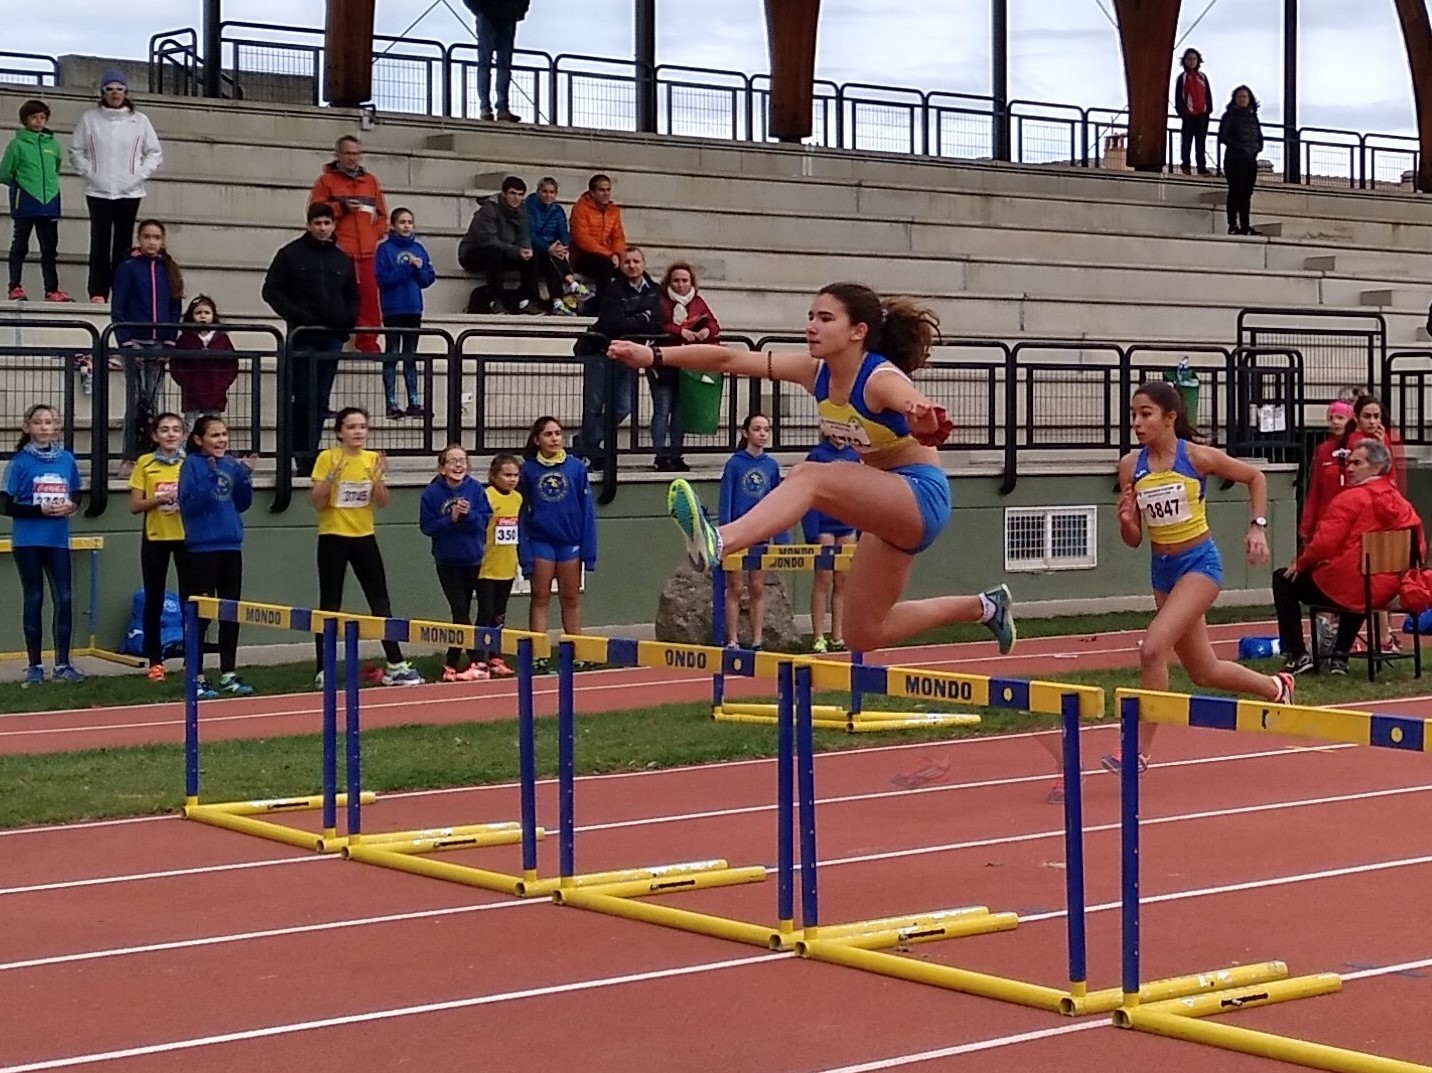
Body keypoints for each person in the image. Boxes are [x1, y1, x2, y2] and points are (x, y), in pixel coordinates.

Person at [606, 281, 1016, 656]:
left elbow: (910, 402)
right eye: (810, 317)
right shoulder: (814, 372)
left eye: (825, 318)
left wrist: (922, 416)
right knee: (863, 634)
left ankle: (720, 541)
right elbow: (729, 358)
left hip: (919, 497)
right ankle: (985, 606)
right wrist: (654, 355)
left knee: (810, 476)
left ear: (857, 332)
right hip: (883, 506)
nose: (811, 327)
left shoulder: (878, 378)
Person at [1110, 380, 1294, 775]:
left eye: (1146, 414)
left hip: (1199, 565)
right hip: (1162, 570)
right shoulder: (1130, 466)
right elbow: (1135, 539)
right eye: (1133, 415)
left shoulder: (1195, 456)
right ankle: (1277, 687)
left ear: (1170, 417)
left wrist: (1257, 526)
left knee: (1152, 648)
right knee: (1204, 671)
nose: (1137, 423)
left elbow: (1255, 477)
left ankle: (1137, 750)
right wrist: (1126, 521)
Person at [1275, 439, 1422, 676]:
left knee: (1284, 580)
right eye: (1349, 462)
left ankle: (1298, 654)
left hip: (1348, 586)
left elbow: (1323, 544)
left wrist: (1301, 564)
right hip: (1386, 589)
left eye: (1357, 463)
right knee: (1363, 583)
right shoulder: (1404, 505)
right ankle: (1339, 656)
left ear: (1376, 467)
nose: (1349, 468)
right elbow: (1418, 549)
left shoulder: (1351, 499)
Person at [309, 408, 423, 687]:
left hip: (364, 537)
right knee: (330, 603)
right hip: (333, 536)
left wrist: (377, 479)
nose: (358, 432)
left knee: (380, 600)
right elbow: (317, 502)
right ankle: (324, 669)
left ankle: (396, 665)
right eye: (351, 427)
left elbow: (381, 502)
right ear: (340, 432)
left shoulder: (372, 459)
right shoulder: (327, 457)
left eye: (362, 427)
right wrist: (332, 478)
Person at [262, 202, 359, 468]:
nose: (323, 228)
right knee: (302, 399)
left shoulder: (342, 259)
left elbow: (353, 295)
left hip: (331, 339)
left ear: (333, 225)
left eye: (327, 223)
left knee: (320, 400)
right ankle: (299, 453)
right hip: (302, 338)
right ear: (308, 225)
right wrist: (298, 316)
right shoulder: (290, 254)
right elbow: (271, 291)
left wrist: (347, 321)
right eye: (317, 223)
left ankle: (309, 457)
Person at [1, 404, 84, 685]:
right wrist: (40, 511)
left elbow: (76, 493)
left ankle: (63, 664)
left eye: (50, 422)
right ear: (27, 428)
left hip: (57, 540)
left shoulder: (66, 460)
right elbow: (6, 504)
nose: (45, 427)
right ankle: (35, 665)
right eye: (38, 422)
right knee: (34, 597)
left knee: (65, 597)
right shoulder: (20, 462)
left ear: (57, 427)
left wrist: (71, 505)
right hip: (28, 541)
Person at [67, 70, 163, 304]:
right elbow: (76, 150)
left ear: (126, 92)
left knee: (123, 244)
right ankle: (97, 292)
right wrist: (90, 173)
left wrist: (138, 175)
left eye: (119, 89)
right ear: (103, 93)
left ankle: (121, 290)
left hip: (130, 191)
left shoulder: (140, 121)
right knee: (99, 241)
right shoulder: (90, 119)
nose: (115, 94)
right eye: (109, 89)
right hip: (97, 191)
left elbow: (154, 152)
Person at [179, 415, 256, 699]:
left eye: (224, 434)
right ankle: (196, 676)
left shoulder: (230, 464)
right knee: (201, 615)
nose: (221, 440)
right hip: (202, 549)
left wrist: (244, 477)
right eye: (214, 435)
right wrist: (210, 479)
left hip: (230, 546)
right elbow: (190, 506)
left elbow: (243, 504)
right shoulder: (192, 465)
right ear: (199, 439)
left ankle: (228, 673)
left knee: (230, 613)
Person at [574, 246, 662, 466]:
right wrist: (643, 318)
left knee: (623, 406)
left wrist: (636, 321)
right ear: (620, 265)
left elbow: (658, 322)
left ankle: (584, 443)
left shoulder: (656, 290)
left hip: (629, 356)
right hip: (600, 352)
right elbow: (614, 324)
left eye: (636, 261)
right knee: (594, 406)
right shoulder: (612, 289)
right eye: (627, 262)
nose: (632, 266)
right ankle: (591, 451)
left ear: (644, 264)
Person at [519, 417, 597, 655]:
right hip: (541, 542)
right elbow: (521, 512)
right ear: (537, 440)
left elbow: (587, 511)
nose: (554, 439)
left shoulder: (576, 468)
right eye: (548, 434)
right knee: (540, 597)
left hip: (570, 543)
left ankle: (577, 651)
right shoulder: (528, 471)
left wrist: (589, 551)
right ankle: (539, 653)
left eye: (557, 433)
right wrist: (525, 554)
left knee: (570, 598)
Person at [419, 444, 493, 682]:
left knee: (475, 612)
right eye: (452, 461)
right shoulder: (431, 494)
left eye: (462, 460)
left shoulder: (476, 489)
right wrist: (450, 519)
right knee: (459, 611)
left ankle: (453, 662)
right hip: (447, 561)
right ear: (442, 468)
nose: (458, 465)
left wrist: (468, 515)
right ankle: (477, 661)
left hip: (474, 559)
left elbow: (484, 521)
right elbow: (427, 527)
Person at [112, 219, 183, 463]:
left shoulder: (169, 269)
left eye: (156, 237)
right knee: (135, 402)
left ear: (162, 241)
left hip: (160, 344)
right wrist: (126, 343)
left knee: (154, 402)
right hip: (135, 343)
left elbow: (175, 308)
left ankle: (154, 456)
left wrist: (170, 342)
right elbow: (118, 308)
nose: (151, 242)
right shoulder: (128, 267)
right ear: (139, 239)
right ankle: (130, 457)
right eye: (146, 237)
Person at [309, 135, 387, 354]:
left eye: (356, 153)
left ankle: (368, 343)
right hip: (339, 250)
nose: (353, 158)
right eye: (348, 153)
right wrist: (341, 208)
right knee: (335, 297)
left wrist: (374, 234)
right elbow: (316, 212)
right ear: (338, 155)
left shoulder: (370, 181)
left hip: (366, 251)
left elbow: (382, 215)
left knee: (370, 299)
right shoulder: (326, 181)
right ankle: (333, 339)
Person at [129, 412, 188, 682]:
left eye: (176, 429)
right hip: (155, 537)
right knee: (154, 599)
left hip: (187, 537)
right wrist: (160, 499)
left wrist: (184, 499)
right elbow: (135, 505)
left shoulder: (190, 463)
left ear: (183, 435)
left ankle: (193, 657)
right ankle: (155, 661)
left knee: (192, 599)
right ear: (155, 436)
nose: (170, 434)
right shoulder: (145, 463)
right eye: (164, 430)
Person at [719, 414, 785, 648]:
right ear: (746, 433)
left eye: (766, 429)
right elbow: (726, 500)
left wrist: (781, 536)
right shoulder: (734, 464)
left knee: (757, 587)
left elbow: (779, 502)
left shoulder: (771, 466)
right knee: (735, 587)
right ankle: (732, 639)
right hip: (738, 533)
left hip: (761, 534)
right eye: (757, 429)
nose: (762, 434)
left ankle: (757, 639)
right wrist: (725, 534)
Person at [653, 261, 721, 472]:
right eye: (676, 280)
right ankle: (660, 455)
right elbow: (656, 324)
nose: (680, 285)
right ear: (669, 282)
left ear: (691, 282)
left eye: (684, 280)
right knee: (662, 410)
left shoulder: (698, 301)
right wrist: (679, 331)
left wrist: (706, 332)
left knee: (679, 412)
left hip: (687, 365)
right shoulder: (660, 301)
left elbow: (714, 323)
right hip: (663, 362)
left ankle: (676, 454)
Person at [3, 98, 70, 302]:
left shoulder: (53, 144)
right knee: (20, 245)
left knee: (49, 248)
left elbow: (56, 168)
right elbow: (5, 172)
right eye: (34, 117)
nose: (39, 121)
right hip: (26, 200)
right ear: (25, 120)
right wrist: (22, 186)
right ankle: (15, 286)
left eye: (42, 117)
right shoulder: (17, 145)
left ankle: (52, 289)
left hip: (49, 200)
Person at [374, 206, 436, 418]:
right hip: (393, 308)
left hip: (413, 307)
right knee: (392, 352)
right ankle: (391, 402)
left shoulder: (419, 248)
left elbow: (427, 279)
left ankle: (414, 401)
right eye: (402, 222)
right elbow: (382, 280)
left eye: (409, 222)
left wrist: (418, 269)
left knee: (410, 355)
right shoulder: (385, 249)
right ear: (393, 226)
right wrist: (407, 268)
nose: (407, 226)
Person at [802, 434, 861, 653]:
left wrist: (861, 524)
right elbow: (809, 492)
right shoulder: (817, 455)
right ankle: (819, 636)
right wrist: (812, 531)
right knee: (823, 578)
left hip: (847, 523)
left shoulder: (853, 456)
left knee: (843, 580)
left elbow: (860, 492)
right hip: (824, 524)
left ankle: (838, 635)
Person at [457, 176, 539, 314]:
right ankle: (495, 301)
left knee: (533, 256)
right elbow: (489, 240)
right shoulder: (488, 210)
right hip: (474, 253)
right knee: (494, 253)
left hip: (505, 251)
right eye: (513, 193)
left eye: (520, 195)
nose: (516, 198)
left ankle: (527, 301)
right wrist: (516, 251)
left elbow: (524, 235)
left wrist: (526, 249)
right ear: (504, 193)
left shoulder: (522, 211)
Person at [478, 452, 523, 677]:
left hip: (507, 565)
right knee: (485, 612)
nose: (512, 479)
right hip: (487, 566)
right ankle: (479, 657)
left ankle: (495, 655)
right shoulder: (486, 496)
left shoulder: (518, 499)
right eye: (507, 475)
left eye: (515, 475)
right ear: (494, 476)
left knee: (499, 614)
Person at [171, 295, 239, 431]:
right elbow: (176, 364)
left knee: (213, 425)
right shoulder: (185, 339)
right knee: (191, 426)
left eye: (207, 312)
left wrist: (223, 383)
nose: (203, 316)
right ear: (191, 316)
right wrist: (185, 382)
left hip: (215, 392)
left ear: (213, 315)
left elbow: (232, 365)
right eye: (198, 313)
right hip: (192, 392)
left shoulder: (222, 339)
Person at [525, 177, 587, 314]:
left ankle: (558, 301)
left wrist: (564, 247)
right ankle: (570, 285)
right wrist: (548, 248)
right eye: (545, 191)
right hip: (536, 249)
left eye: (551, 192)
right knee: (551, 257)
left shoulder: (558, 210)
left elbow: (563, 232)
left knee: (555, 256)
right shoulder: (529, 208)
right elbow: (531, 234)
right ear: (538, 192)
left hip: (554, 249)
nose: (548, 195)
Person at [1299, 400, 1355, 548]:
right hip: (1327, 517)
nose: (1335, 422)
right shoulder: (1323, 450)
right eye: (1331, 418)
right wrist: (1307, 526)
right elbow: (1315, 490)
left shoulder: (1360, 448)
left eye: (1340, 418)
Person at [463, 0, 529, 121]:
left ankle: (488, 108)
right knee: (500, 66)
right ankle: (497, 108)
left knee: (489, 65)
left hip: (501, 17)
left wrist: (519, 12)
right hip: (500, 17)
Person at [569, 174, 626, 295]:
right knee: (604, 266)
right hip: (582, 257)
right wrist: (608, 254)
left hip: (608, 256)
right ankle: (604, 303)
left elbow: (618, 236)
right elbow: (582, 238)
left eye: (608, 190)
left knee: (631, 267)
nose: (606, 193)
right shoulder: (580, 208)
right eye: (602, 190)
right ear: (592, 192)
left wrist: (616, 253)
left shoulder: (613, 210)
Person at [1218, 85, 1263, 236]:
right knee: (1235, 191)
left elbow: (1259, 136)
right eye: (1239, 97)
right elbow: (1223, 136)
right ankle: (1233, 225)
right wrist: (1240, 148)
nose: (1242, 99)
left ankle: (1245, 225)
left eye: (1244, 97)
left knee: (1246, 194)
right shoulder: (1229, 115)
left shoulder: (1253, 116)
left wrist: (1257, 148)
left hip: (1250, 159)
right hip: (1234, 159)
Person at [1173, 48, 1213, 176]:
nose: (1192, 61)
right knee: (1187, 141)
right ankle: (1186, 165)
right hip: (1188, 115)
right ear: (1185, 61)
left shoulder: (1202, 77)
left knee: (1200, 142)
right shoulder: (1182, 77)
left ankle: (1201, 167)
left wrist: (1208, 110)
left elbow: (1208, 94)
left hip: (1202, 114)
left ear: (1198, 61)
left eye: (1194, 59)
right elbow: (1178, 96)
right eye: (1189, 59)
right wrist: (1182, 112)